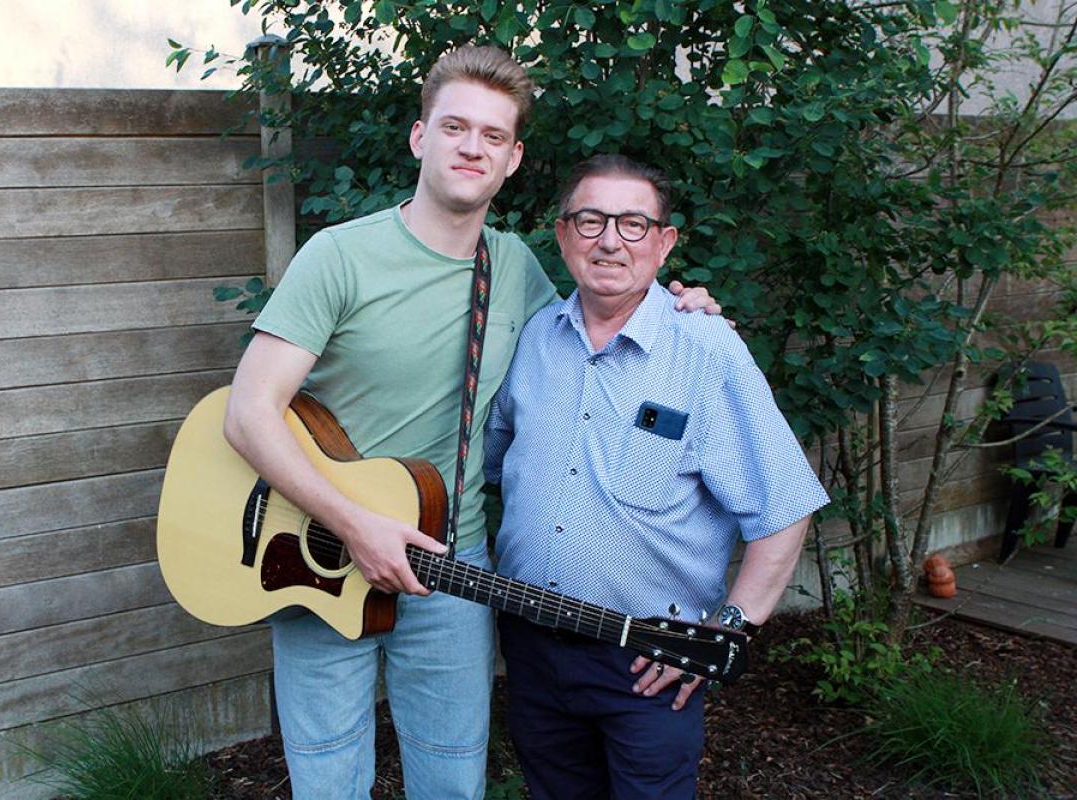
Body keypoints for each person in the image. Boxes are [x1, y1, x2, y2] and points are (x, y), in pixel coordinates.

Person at [222, 48, 719, 799]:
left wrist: (681, 309)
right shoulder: (339, 257)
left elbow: (600, 335)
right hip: (316, 547)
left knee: (453, 780)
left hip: (453, 562)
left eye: (492, 135)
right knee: (327, 782)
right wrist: (354, 524)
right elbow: (248, 414)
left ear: (513, 158)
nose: (471, 147)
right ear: (421, 137)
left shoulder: (515, 269)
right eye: (454, 126)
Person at [484, 154, 831, 800]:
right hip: (532, 652)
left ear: (664, 243)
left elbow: (784, 507)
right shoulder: (533, 342)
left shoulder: (707, 351)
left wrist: (728, 628)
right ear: (562, 236)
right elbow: (491, 463)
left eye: (634, 224)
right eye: (590, 221)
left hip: (646, 664)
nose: (610, 240)